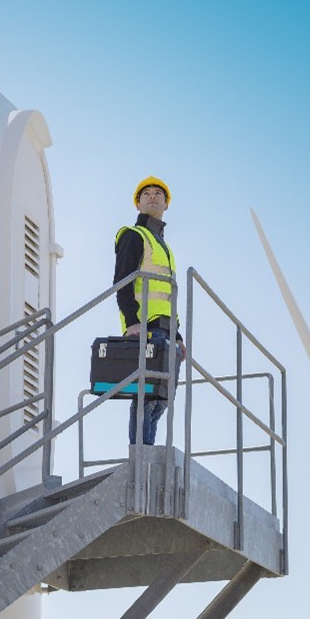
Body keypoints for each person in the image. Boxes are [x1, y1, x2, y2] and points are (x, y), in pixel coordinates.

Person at [113, 176, 185, 445]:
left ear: (166, 204)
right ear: (138, 203)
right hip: (145, 327)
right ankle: (140, 454)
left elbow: (168, 295)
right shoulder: (134, 236)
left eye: (158, 193)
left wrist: (179, 336)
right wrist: (132, 322)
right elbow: (123, 281)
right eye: (146, 194)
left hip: (167, 331)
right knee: (146, 396)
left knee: (163, 399)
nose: (152, 196)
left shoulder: (164, 247)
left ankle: (149, 450)